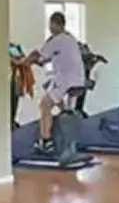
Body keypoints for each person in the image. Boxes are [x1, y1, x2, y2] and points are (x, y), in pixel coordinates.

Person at [19, 12, 85, 152]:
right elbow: (46, 60)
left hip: (66, 80)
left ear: (55, 24)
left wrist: (24, 61)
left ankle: (46, 141)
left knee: (44, 105)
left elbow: (40, 55)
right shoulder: (70, 38)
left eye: (50, 24)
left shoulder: (57, 40)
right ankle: (67, 133)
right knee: (60, 103)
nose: (49, 27)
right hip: (76, 79)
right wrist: (36, 61)